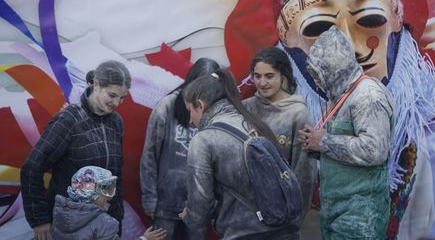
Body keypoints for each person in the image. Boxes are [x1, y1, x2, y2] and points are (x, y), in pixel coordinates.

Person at [180, 68, 300, 240]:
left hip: (245, 233)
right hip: (286, 229)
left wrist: (188, 216)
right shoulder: (254, 122)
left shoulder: (204, 140)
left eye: (190, 110)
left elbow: (200, 207)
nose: (190, 120)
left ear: (201, 104)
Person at [298, 26, 394, 239]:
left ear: (334, 68)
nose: (315, 80)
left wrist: (324, 142)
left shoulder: (367, 96)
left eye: (319, 73)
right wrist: (314, 143)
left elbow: (375, 150)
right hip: (338, 211)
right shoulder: (340, 96)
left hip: (360, 215)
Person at [20, 60, 131, 240]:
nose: (117, 103)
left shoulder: (116, 122)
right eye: (112, 95)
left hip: (105, 223)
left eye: (122, 97)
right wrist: (39, 220)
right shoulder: (68, 120)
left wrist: (116, 219)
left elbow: (115, 173)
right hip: (69, 225)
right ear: (96, 84)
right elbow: (32, 168)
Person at [140, 58, 220, 240]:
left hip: (198, 208)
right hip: (165, 203)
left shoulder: (217, 112)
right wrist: (149, 198)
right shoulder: (167, 106)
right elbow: (149, 155)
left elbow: (221, 163)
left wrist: (215, 203)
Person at [242, 47, 315, 219]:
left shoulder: (297, 113)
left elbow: (304, 171)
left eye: (269, 76)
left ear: (283, 76)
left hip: (282, 208)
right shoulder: (245, 107)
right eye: (257, 76)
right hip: (246, 208)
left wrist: (296, 215)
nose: (262, 82)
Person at [51, 165, 166, 240]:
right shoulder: (104, 223)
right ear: (91, 194)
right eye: (105, 190)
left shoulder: (61, 213)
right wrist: (144, 239)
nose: (109, 196)